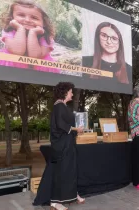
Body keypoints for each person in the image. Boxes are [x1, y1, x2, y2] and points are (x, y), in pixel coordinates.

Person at [48, 82, 85, 210]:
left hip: (67, 143)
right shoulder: (59, 106)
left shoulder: (63, 106)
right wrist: (76, 129)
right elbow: (60, 125)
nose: (72, 94)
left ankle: (72, 194)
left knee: (70, 170)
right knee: (62, 172)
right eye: (70, 91)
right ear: (64, 93)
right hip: (62, 145)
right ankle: (55, 202)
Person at [0, 0, 59, 73]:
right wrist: (20, 29)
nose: (27, 20)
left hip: (38, 72)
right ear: (12, 17)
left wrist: (33, 33)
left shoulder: (46, 37)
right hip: (15, 72)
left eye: (34, 18)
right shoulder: (9, 31)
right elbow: (17, 51)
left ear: (44, 23)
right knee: (8, 56)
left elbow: (35, 58)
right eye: (21, 15)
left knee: (46, 62)